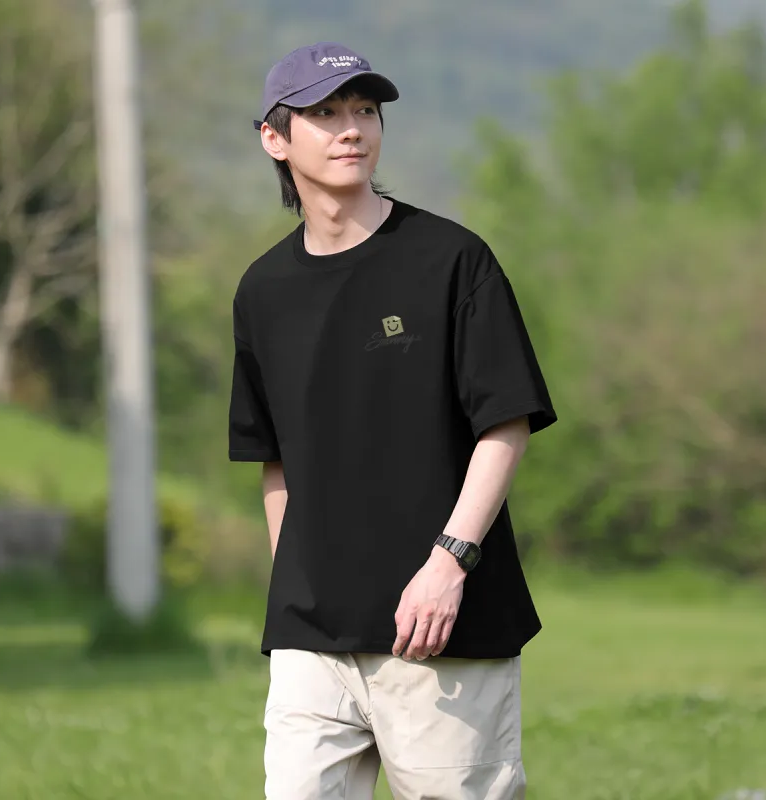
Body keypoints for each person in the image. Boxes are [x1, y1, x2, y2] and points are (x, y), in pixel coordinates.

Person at [228, 41, 557, 800]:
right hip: (314, 643)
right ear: (274, 138)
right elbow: (273, 458)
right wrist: (293, 587)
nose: (352, 128)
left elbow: (504, 425)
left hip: (445, 633)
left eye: (365, 110)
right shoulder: (263, 290)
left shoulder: (452, 260)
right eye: (325, 112)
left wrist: (449, 565)